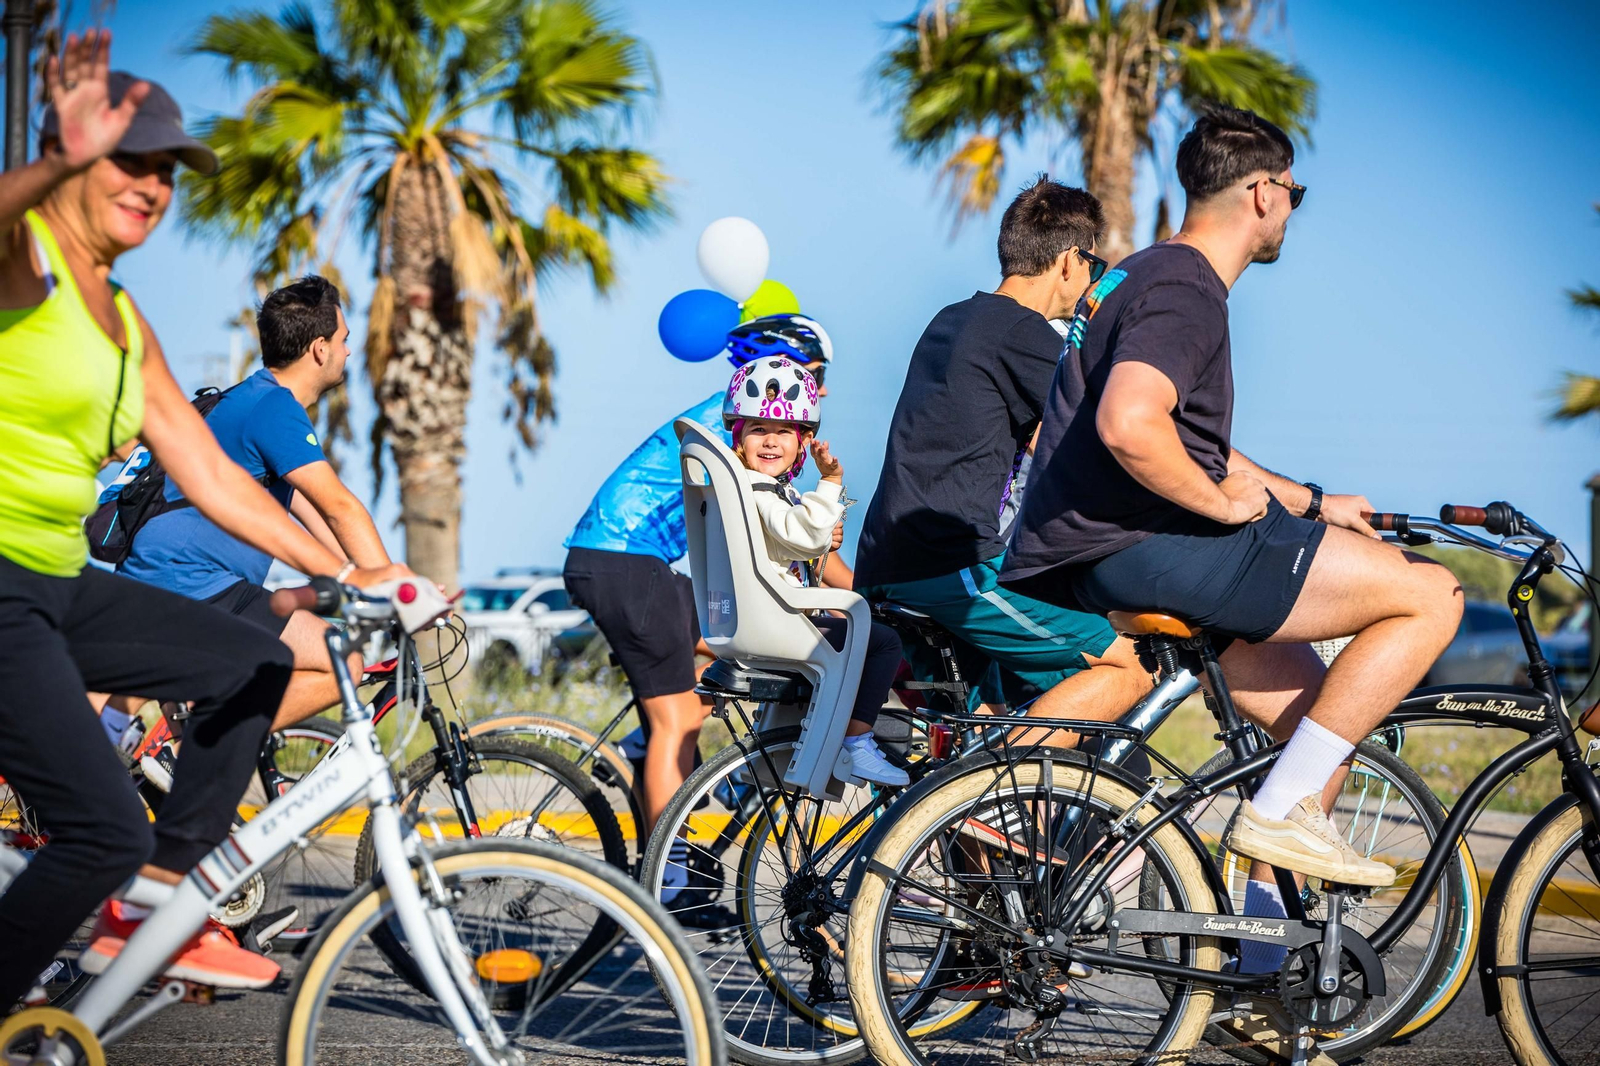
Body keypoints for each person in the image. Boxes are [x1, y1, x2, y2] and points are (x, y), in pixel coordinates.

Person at [1000, 107, 1461, 985]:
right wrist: (1219, 502)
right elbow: (1132, 424)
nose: (1291, 212)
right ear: (1262, 191)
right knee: (1431, 595)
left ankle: (1261, 976)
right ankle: (1277, 816)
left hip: (1106, 547)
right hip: (1153, 542)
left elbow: (1182, 433)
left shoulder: (1136, 275)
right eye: (1294, 195)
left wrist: (1312, 502)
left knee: (1315, 724)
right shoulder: (1188, 290)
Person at [0, 34, 409, 1008]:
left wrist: (356, 577)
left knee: (258, 661)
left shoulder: (123, 315)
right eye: (130, 160)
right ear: (75, 160)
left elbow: (217, 479)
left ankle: (162, 898)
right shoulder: (27, 267)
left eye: (168, 172)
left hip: (60, 580)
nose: (152, 184)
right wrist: (53, 160)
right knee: (103, 827)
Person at [854, 176, 1150, 728]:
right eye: (1096, 268)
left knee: (992, 715)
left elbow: (1017, 435)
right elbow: (1109, 437)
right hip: (950, 567)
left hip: (883, 566)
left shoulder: (952, 319)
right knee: (1130, 665)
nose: (1091, 283)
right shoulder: (1025, 334)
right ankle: (973, 798)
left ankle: (969, 807)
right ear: (1070, 261)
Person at [562, 315, 841, 839]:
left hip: (626, 561)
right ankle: (666, 878)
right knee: (682, 720)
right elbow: (788, 531)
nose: (822, 388)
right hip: (624, 562)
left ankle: (645, 750)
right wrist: (859, 588)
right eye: (818, 371)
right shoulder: (743, 430)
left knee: (731, 650)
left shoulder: (728, 416)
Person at [116, 275, 395, 784]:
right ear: (319, 349)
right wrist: (401, 591)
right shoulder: (273, 408)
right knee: (344, 663)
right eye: (345, 340)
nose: (350, 352)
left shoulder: (249, 399)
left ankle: (179, 756)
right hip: (191, 582)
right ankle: (197, 746)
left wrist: (366, 582)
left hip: (175, 580)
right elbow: (341, 508)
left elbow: (318, 522)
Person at [727, 356, 907, 788]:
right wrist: (831, 482)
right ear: (740, 439)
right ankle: (857, 740)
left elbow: (793, 545)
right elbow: (801, 535)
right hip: (776, 624)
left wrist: (819, 537)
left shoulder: (757, 490)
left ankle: (800, 743)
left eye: (783, 432)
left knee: (848, 629)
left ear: (801, 442)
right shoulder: (761, 491)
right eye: (758, 430)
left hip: (765, 617)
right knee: (882, 641)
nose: (770, 442)